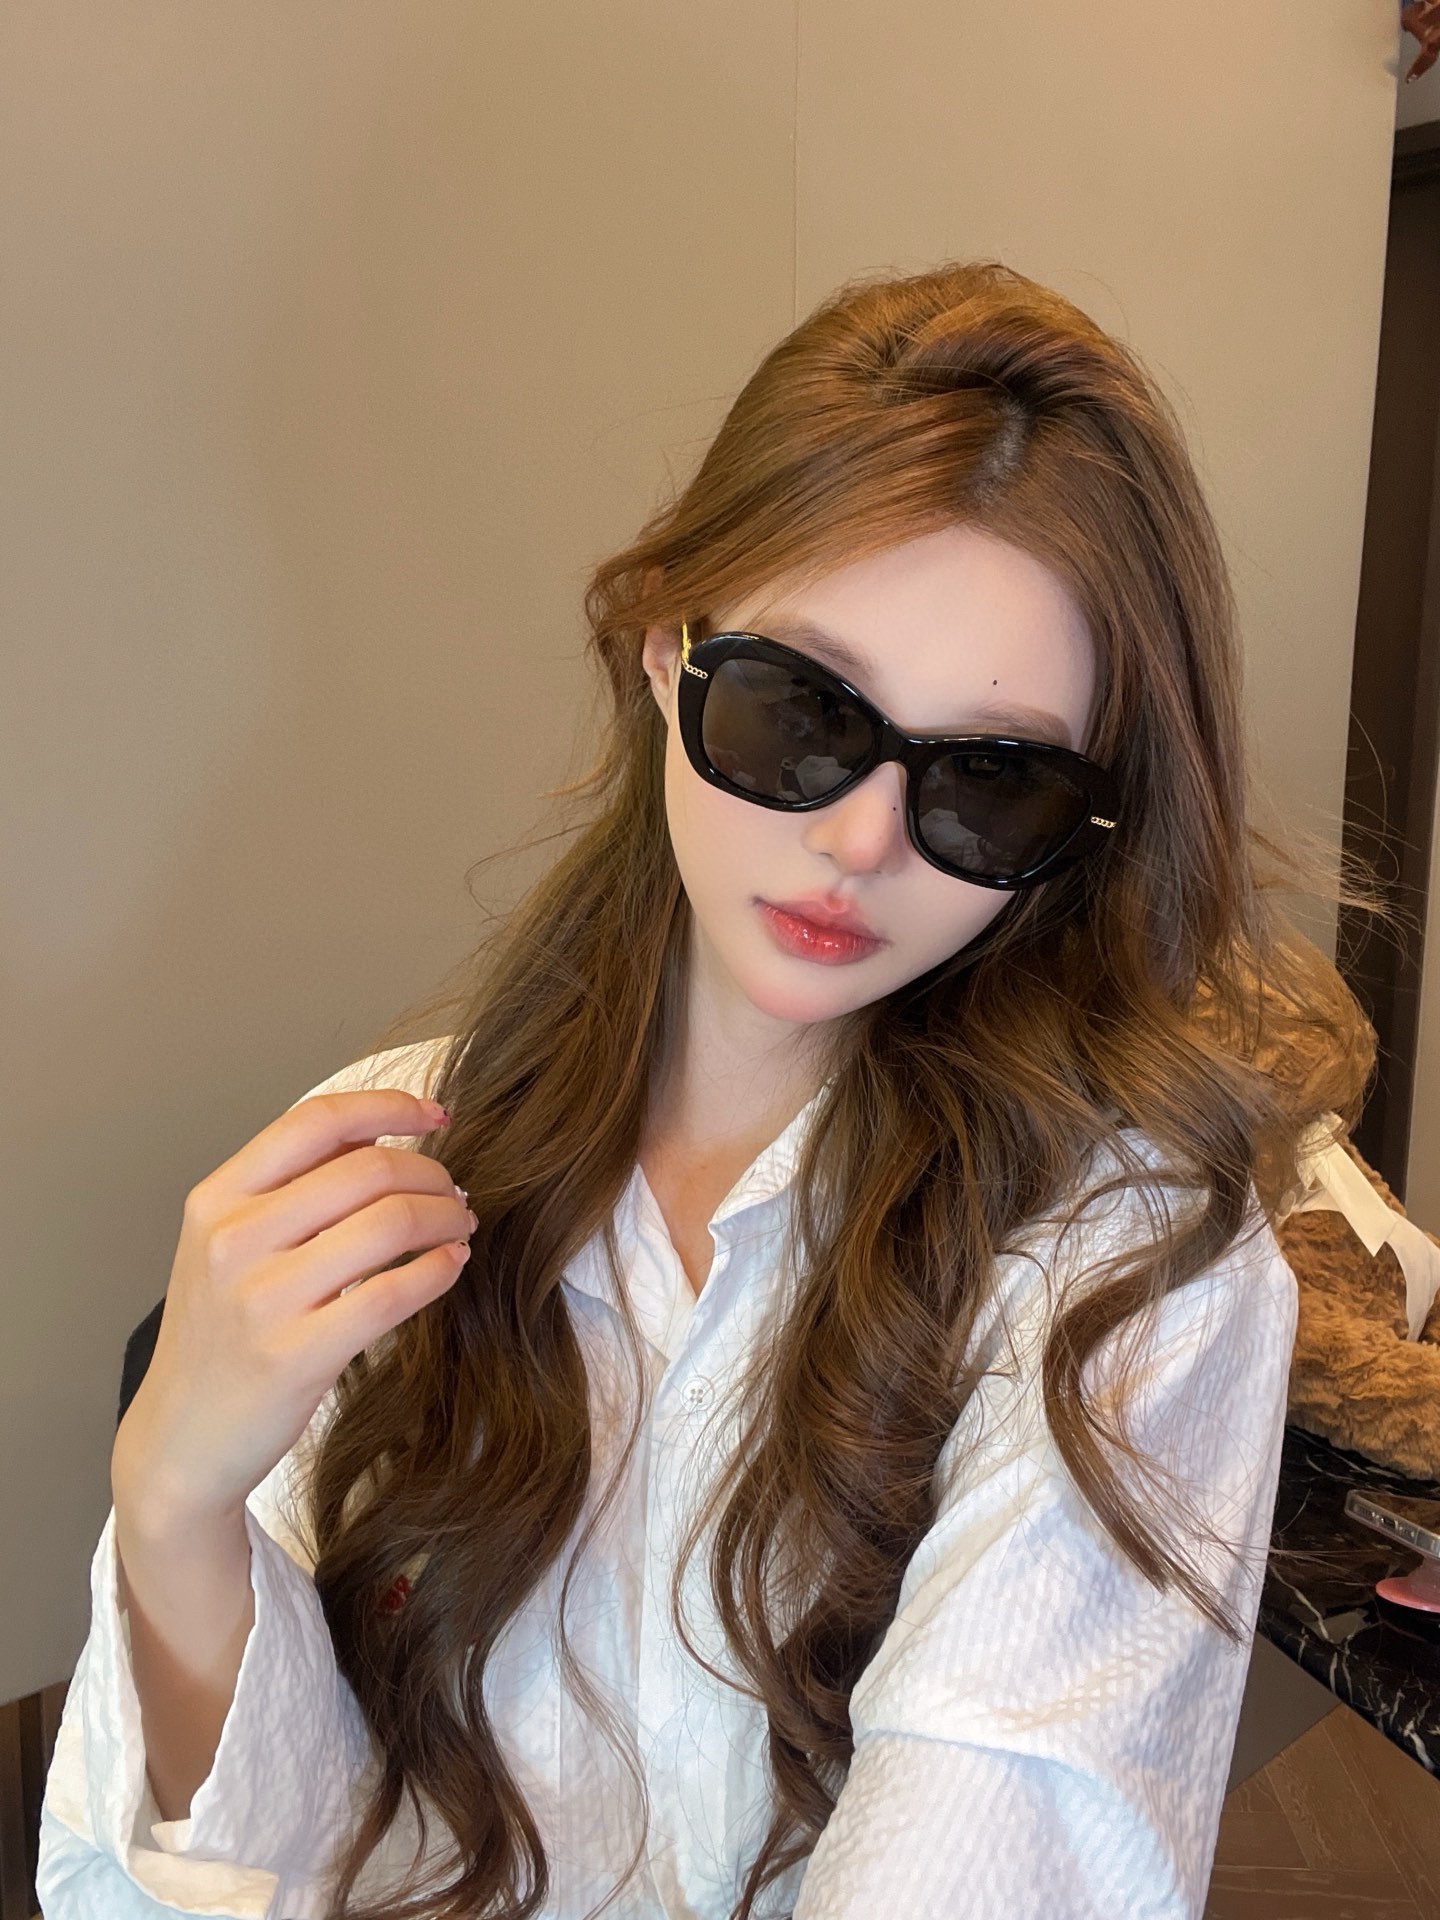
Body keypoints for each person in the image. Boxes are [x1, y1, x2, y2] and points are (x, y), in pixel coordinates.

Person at [38, 259, 1385, 1920]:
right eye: (798, 708)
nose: (860, 838)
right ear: (665, 647)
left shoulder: (1128, 1267)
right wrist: (173, 1499)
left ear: (1086, 833)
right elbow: (206, 1873)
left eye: (992, 779)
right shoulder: (389, 1148)